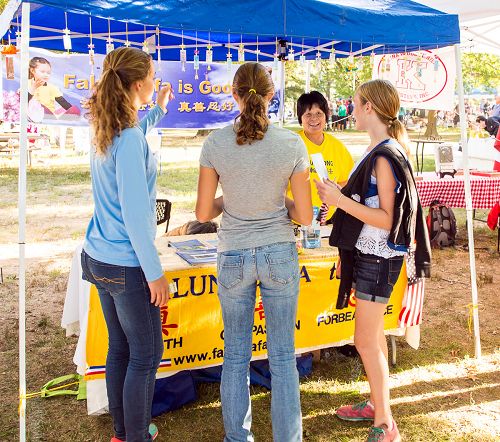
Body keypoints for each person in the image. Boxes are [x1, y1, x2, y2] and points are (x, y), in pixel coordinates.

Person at [196, 62, 312, 442]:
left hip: (233, 255)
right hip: (279, 251)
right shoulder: (292, 143)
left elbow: (202, 212)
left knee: (235, 357)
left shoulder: (214, 142)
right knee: (282, 357)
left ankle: (237, 438)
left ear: (234, 95)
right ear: (270, 94)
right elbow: (305, 215)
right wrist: (273, 198)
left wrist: (233, 196)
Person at [315, 79, 431, 442]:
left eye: (357, 101)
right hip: (371, 255)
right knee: (373, 337)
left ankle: (386, 424)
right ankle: (377, 405)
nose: (352, 106)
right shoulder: (382, 149)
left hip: (379, 258)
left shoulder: (383, 154)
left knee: (364, 340)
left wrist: (338, 200)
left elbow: (387, 218)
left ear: (369, 108)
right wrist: (341, 197)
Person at [80, 47, 174, 442]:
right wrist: (155, 274)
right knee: (146, 355)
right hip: (125, 264)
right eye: (153, 75)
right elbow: (138, 218)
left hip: (99, 256)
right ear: (138, 84)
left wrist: (160, 111)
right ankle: (136, 435)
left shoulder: (109, 126)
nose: (156, 80)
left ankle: (123, 432)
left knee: (120, 348)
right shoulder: (130, 139)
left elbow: (135, 132)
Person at [287, 91, 353, 224]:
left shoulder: (337, 147)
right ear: (300, 118)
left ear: (326, 116)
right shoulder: (290, 144)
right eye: (308, 114)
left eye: (319, 113)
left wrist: (335, 200)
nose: (314, 119)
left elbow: (345, 181)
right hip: (292, 222)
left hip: (325, 222)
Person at [28, 56, 80, 122]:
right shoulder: (26, 84)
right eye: (42, 72)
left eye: (48, 73)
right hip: (31, 115)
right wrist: (33, 88)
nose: (46, 75)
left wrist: (70, 111)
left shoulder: (52, 88)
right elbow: (23, 102)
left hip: (48, 117)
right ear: (32, 70)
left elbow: (64, 103)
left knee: (74, 109)